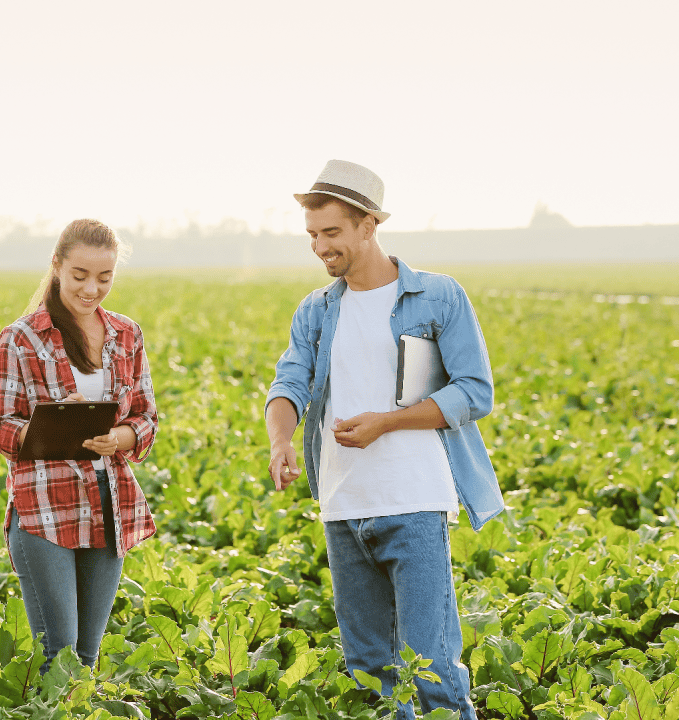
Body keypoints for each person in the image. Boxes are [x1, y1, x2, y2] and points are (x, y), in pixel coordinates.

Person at [265, 159, 504, 719]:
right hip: (343, 507)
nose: (321, 247)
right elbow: (288, 383)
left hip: (415, 501)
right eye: (312, 236)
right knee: (371, 673)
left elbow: (475, 392)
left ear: (369, 225)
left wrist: (386, 423)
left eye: (332, 233)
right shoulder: (317, 310)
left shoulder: (437, 297)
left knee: (433, 668)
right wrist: (280, 442)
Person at [0, 218, 158, 673]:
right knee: (57, 657)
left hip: (109, 501)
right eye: (80, 275)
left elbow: (145, 417)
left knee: (86, 657)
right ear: (57, 266)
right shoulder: (21, 337)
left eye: (104, 277)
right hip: (44, 504)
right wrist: (56, 419)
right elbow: (1, 427)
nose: (91, 288)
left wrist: (116, 437)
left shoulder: (127, 334)